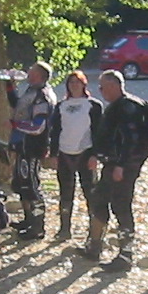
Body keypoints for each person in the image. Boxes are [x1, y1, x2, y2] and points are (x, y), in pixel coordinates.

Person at [77, 68, 148, 272]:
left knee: (121, 206)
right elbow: (109, 136)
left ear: (113, 86)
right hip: (112, 164)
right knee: (99, 199)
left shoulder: (128, 108)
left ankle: (125, 255)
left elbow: (131, 141)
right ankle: (94, 246)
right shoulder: (117, 106)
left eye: (102, 87)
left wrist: (121, 165)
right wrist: (98, 155)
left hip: (123, 167)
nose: (100, 90)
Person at [47, 70, 101, 241]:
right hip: (64, 153)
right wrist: (53, 154)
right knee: (65, 193)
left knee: (90, 192)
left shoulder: (93, 105)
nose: (74, 85)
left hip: (86, 152)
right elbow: (55, 131)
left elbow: (98, 132)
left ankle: (94, 230)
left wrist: (96, 155)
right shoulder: (61, 106)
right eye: (71, 82)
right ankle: (64, 229)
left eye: (77, 82)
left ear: (84, 84)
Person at [6, 62, 57, 240]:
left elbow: (38, 126)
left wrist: (15, 125)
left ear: (40, 75)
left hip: (33, 147)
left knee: (31, 186)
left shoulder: (42, 95)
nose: (28, 73)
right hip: (22, 146)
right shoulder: (31, 91)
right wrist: (9, 86)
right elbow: (18, 106)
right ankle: (28, 220)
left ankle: (38, 226)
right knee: (21, 184)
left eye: (32, 71)